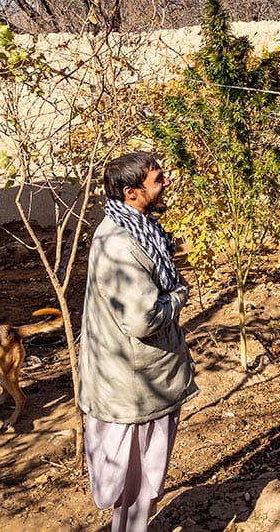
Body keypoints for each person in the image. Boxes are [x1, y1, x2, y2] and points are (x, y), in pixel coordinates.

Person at [78, 152, 197, 531]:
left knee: (140, 485)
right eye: (157, 179)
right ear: (132, 192)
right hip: (131, 384)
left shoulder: (140, 227)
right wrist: (179, 295)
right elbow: (144, 319)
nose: (166, 183)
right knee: (134, 483)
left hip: (142, 377)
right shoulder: (121, 244)